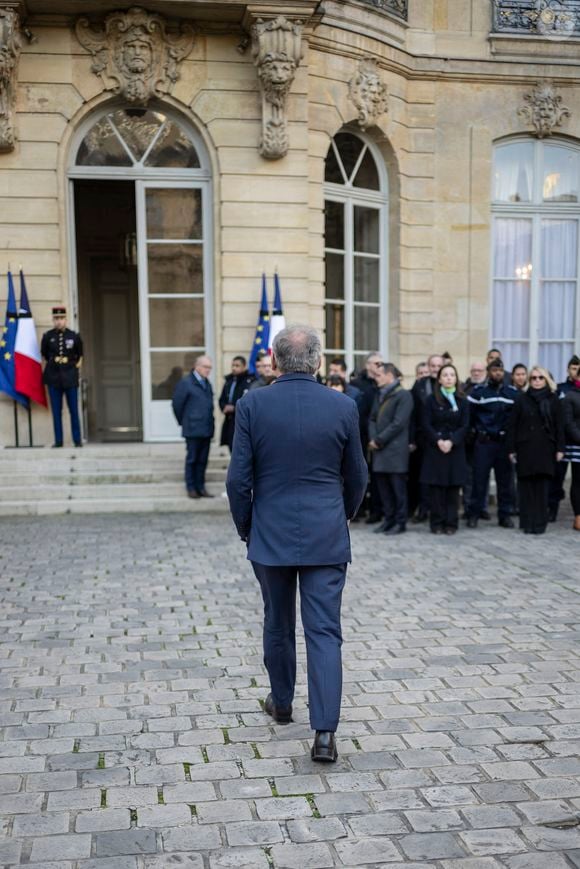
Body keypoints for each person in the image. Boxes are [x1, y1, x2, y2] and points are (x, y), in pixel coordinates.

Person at [226, 325, 367, 763]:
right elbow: (359, 475)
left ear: (275, 358)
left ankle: (282, 701)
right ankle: (324, 732)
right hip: (326, 529)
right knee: (324, 631)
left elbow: (237, 479)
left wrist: (248, 526)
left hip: (271, 531)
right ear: (318, 361)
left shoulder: (252, 403)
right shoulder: (343, 405)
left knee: (278, 621)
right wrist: (342, 512)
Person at [507, 367, 564, 534]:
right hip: (525, 448)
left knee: (542, 488)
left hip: (546, 448)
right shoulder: (521, 399)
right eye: (533, 378)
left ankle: (539, 524)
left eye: (540, 378)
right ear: (529, 380)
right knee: (525, 487)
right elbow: (512, 426)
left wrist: (560, 448)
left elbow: (560, 427)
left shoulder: (554, 400)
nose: (537, 381)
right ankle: (527, 522)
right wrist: (511, 448)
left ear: (546, 380)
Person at [466, 358, 517, 528]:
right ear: (489, 372)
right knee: (479, 481)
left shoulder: (512, 393)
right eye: (494, 370)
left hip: (503, 443)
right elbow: (469, 417)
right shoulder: (478, 392)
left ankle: (505, 515)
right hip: (484, 442)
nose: (498, 373)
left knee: (505, 482)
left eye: (500, 371)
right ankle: (474, 513)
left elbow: (515, 419)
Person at [420, 363, 469, 535]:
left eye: (452, 375)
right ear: (439, 379)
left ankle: (451, 523)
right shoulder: (430, 400)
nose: (449, 378)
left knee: (453, 490)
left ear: (456, 379)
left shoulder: (463, 400)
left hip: (455, 450)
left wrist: (452, 441)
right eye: (445, 375)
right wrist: (439, 440)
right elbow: (426, 423)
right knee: (436, 490)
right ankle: (437, 523)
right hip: (436, 450)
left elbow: (465, 425)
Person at [368, 362, 413, 535]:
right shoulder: (380, 394)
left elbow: (398, 423)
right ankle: (388, 520)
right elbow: (372, 418)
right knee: (384, 490)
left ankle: (400, 522)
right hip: (379, 450)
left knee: (397, 490)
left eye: (379, 374)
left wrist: (379, 440)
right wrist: (373, 438)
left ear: (389, 375)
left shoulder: (403, 395)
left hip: (394, 451)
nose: (376, 377)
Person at [172, 355, 215, 499]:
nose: (208, 370)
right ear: (197, 366)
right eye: (206, 367)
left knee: (203, 460)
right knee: (192, 459)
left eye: (210, 368)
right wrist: (184, 422)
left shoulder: (206, 383)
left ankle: (201, 487)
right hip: (192, 428)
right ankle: (191, 488)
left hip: (206, 428)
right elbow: (177, 405)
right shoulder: (186, 383)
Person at [41, 306, 83, 448]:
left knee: (73, 410)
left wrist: (72, 366)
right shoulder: (48, 336)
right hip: (53, 377)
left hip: (70, 377)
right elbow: (45, 354)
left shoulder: (74, 336)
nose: (59, 321)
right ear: (53, 320)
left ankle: (77, 440)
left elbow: (79, 355)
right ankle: (59, 441)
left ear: (66, 319)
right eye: (56, 319)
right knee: (56, 411)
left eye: (61, 318)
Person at [410, 354, 443, 521]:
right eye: (433, 366)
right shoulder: (419, 385)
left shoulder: (448, 385)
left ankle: (440, 509)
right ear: (429, 367)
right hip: (423, 439)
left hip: (444, 440)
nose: (436, 369)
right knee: (423, 477)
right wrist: (412, 440)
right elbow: (413, 415)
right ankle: (423, 509)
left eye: (439, 366)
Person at [350, 352, 383, 522]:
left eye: (381, 363)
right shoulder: (357, 383)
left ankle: (376, 510)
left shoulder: (381, 383)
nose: (379, 366)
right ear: (368, 364)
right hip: (360, 434)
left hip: (378, 436)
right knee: (358, 470)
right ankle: (358, 508)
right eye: (376, 363)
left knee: (377, 474)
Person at [549, 354, 580, 521]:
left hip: (577, 443)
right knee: (557, 478)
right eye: (573, 368)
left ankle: (578, 515)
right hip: (562, 441)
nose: (575, 371)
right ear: (568, 369)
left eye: (578, 368)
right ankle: (552, 510)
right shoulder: (560, 389)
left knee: (577, 480)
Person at [461, 361, 488, 518]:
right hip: (468, 439)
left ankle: (481, 507)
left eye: (479, 370)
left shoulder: (489, 389)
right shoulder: (464, 388)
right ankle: (467, 507)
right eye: (474, 370)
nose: (476, 373)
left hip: (484, 439)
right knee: (468, 476)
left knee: (481, 475)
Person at [219, 356, 254, 452]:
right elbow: (221, 399)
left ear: (244, 367)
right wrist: (224, 407)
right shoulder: (229, 381)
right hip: (229, 421)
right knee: (231, 447)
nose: (234, 368)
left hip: (241, 421)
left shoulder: (249, 381)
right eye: (233, 365)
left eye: (237, 365)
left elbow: (247, 400)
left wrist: (234, 408)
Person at [563, 369, 580, 531]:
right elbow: (568, 423)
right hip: (577, 445)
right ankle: (578, 516)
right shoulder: (571, 396)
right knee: (578, 482)